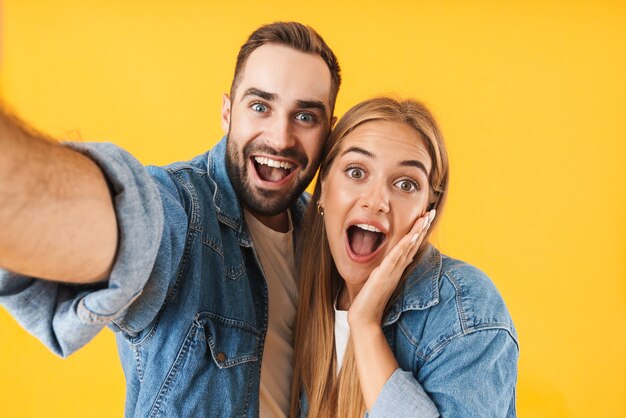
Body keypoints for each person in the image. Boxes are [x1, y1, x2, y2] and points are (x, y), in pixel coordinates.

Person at [0, 21, 359, 417]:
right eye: (260, 106)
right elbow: (129, 224)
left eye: (305, 117)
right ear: (227, 112)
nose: (280, 138)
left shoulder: (330, 240)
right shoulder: (183, 210)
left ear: (330, 132)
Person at [291, 97, 519, 417]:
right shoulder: (289, 285)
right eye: (356, 172)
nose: (376, 201)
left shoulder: (464, 308)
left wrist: (366, 325)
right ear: (324, 187)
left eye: (405, 184)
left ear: (427, 209)